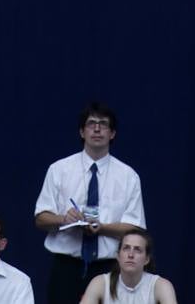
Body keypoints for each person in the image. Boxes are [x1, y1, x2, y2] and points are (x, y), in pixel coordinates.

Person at [35, 102, 145, 304]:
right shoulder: (59, 169)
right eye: (91, 123)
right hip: (66, 266)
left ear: (112, 134)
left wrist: (102, 228)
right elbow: (40, 218)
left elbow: (135, 229)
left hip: (108, 266)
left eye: (103, 124)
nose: (96, 129)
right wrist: (63, 218)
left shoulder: (128, 176)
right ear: (81, 132)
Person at [81, 229, 177, 304]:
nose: (131, 255)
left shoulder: (161, 286)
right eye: (126, 248)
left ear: (147, 259)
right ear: (118, 256)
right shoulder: (100, 283)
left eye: (137, 250)